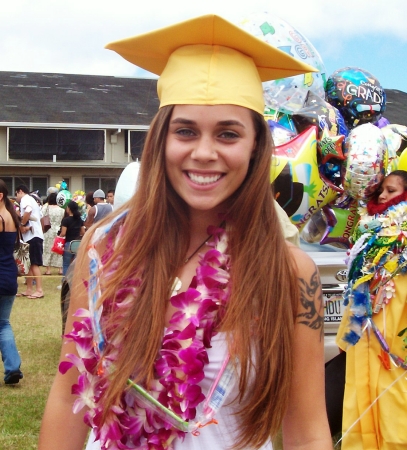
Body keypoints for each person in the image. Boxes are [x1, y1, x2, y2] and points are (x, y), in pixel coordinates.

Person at [39, 15, 332, 450]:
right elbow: (69, 398)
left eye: (229, 133)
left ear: (255, 146)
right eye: (186, 131)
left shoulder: (289, 272)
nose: (204, 152)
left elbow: (307, 432)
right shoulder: (104, 251)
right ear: (161, 140)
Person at [336, 169, 407, 449]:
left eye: (393, 191)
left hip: (395, 345)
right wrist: (347, 333)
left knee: (395, 410)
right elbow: (357, 289)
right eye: (382, 192)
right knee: (360, 403)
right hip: (364, 340)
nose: (384, 197)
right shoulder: (368, 241)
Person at [0, 179, 24, 384]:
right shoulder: (12, 217)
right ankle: (12, 367)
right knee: (3, 324)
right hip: (8, 274)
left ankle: (13, 367)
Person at [15, 184, 44, 299]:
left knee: (34, 263)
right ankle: (29, 289)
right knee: (29, 264)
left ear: (20, 191)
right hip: (32, 235)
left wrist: (22, 224)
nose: (16, 197)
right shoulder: (32, 199)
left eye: (16, 194)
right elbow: (39, 216)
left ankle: (39, 290)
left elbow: (28, 210)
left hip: (33, 236)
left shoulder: (25, 199)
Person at [59, 200, 85, 277]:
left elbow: (63, 233)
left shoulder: (66, 220)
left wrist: (59, 236)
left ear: (69, 209)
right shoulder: (79, 219)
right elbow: (83, 232)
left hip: (68, 243)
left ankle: (64, 283)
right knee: (75, 264)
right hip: (77, 244)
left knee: (66, 264)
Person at [42, 193, 64, 276]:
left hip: (48, 230)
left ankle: (48, 270)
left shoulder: (45, 208)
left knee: (47, 249)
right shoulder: (62, 209)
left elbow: (42, 217)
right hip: (58, 230)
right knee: (58, 249)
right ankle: (60, 269)